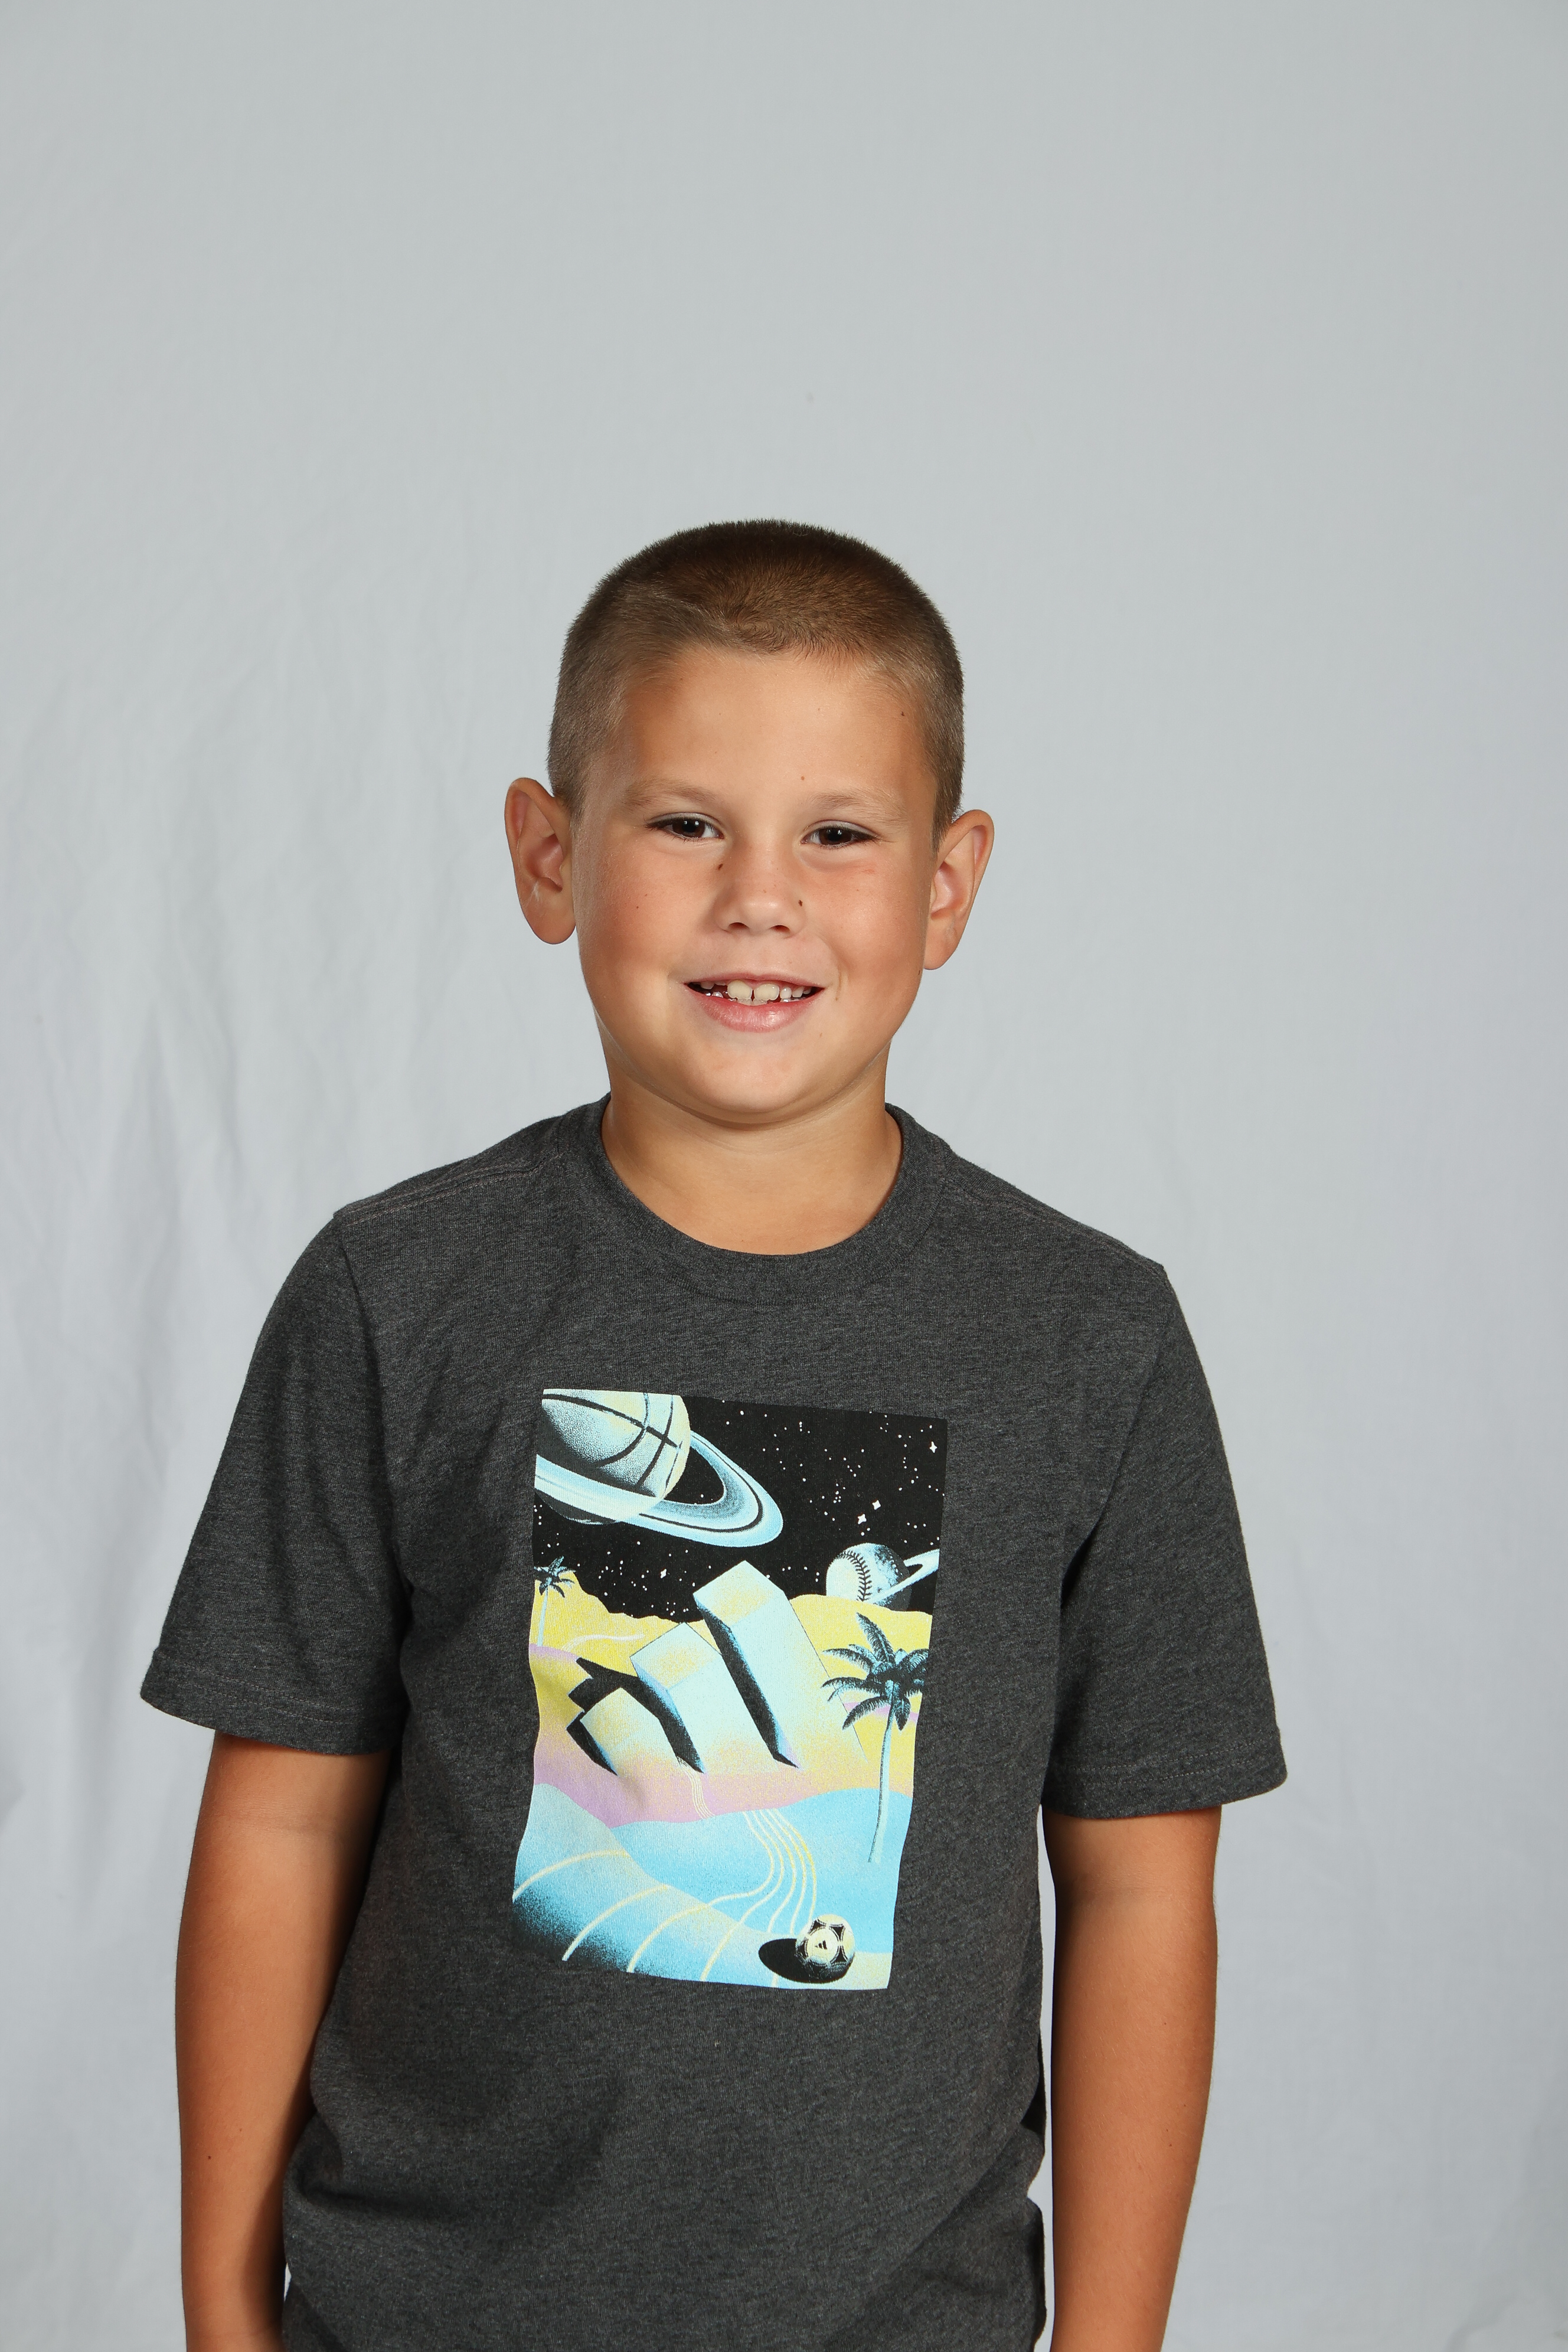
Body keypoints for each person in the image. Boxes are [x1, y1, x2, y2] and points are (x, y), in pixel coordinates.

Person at [145, 519, 1285, 2352]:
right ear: (550, 855)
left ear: (948, 887)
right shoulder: (397, 1293)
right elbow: (279, 1816)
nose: (763, 896)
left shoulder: (1090, 1341)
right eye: (687, 823)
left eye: (839, 834)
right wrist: (222, 2307)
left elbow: (1145, 1882)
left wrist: (1113, 2342)